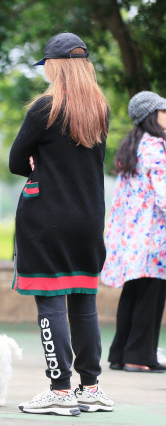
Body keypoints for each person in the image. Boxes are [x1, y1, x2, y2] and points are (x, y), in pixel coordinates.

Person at [10, 32, 114, 416]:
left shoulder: (45, 108)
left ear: (54, 66)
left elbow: (16, 161)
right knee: (84, 303)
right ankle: (91, 387)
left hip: (47, 219)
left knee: (51, 303)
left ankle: (60, 390)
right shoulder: (100, 108)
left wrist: (39, 162)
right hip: (89, 219)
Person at [101, 91, 166, 373]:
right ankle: (139, 358)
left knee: (134, 291)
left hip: (134, 235)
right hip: (156, 235)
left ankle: (120, 354)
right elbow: (163, 192)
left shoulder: (134, 145)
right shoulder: (157, 146)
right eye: (163, 111)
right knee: (151, 295)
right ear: (152, 116)